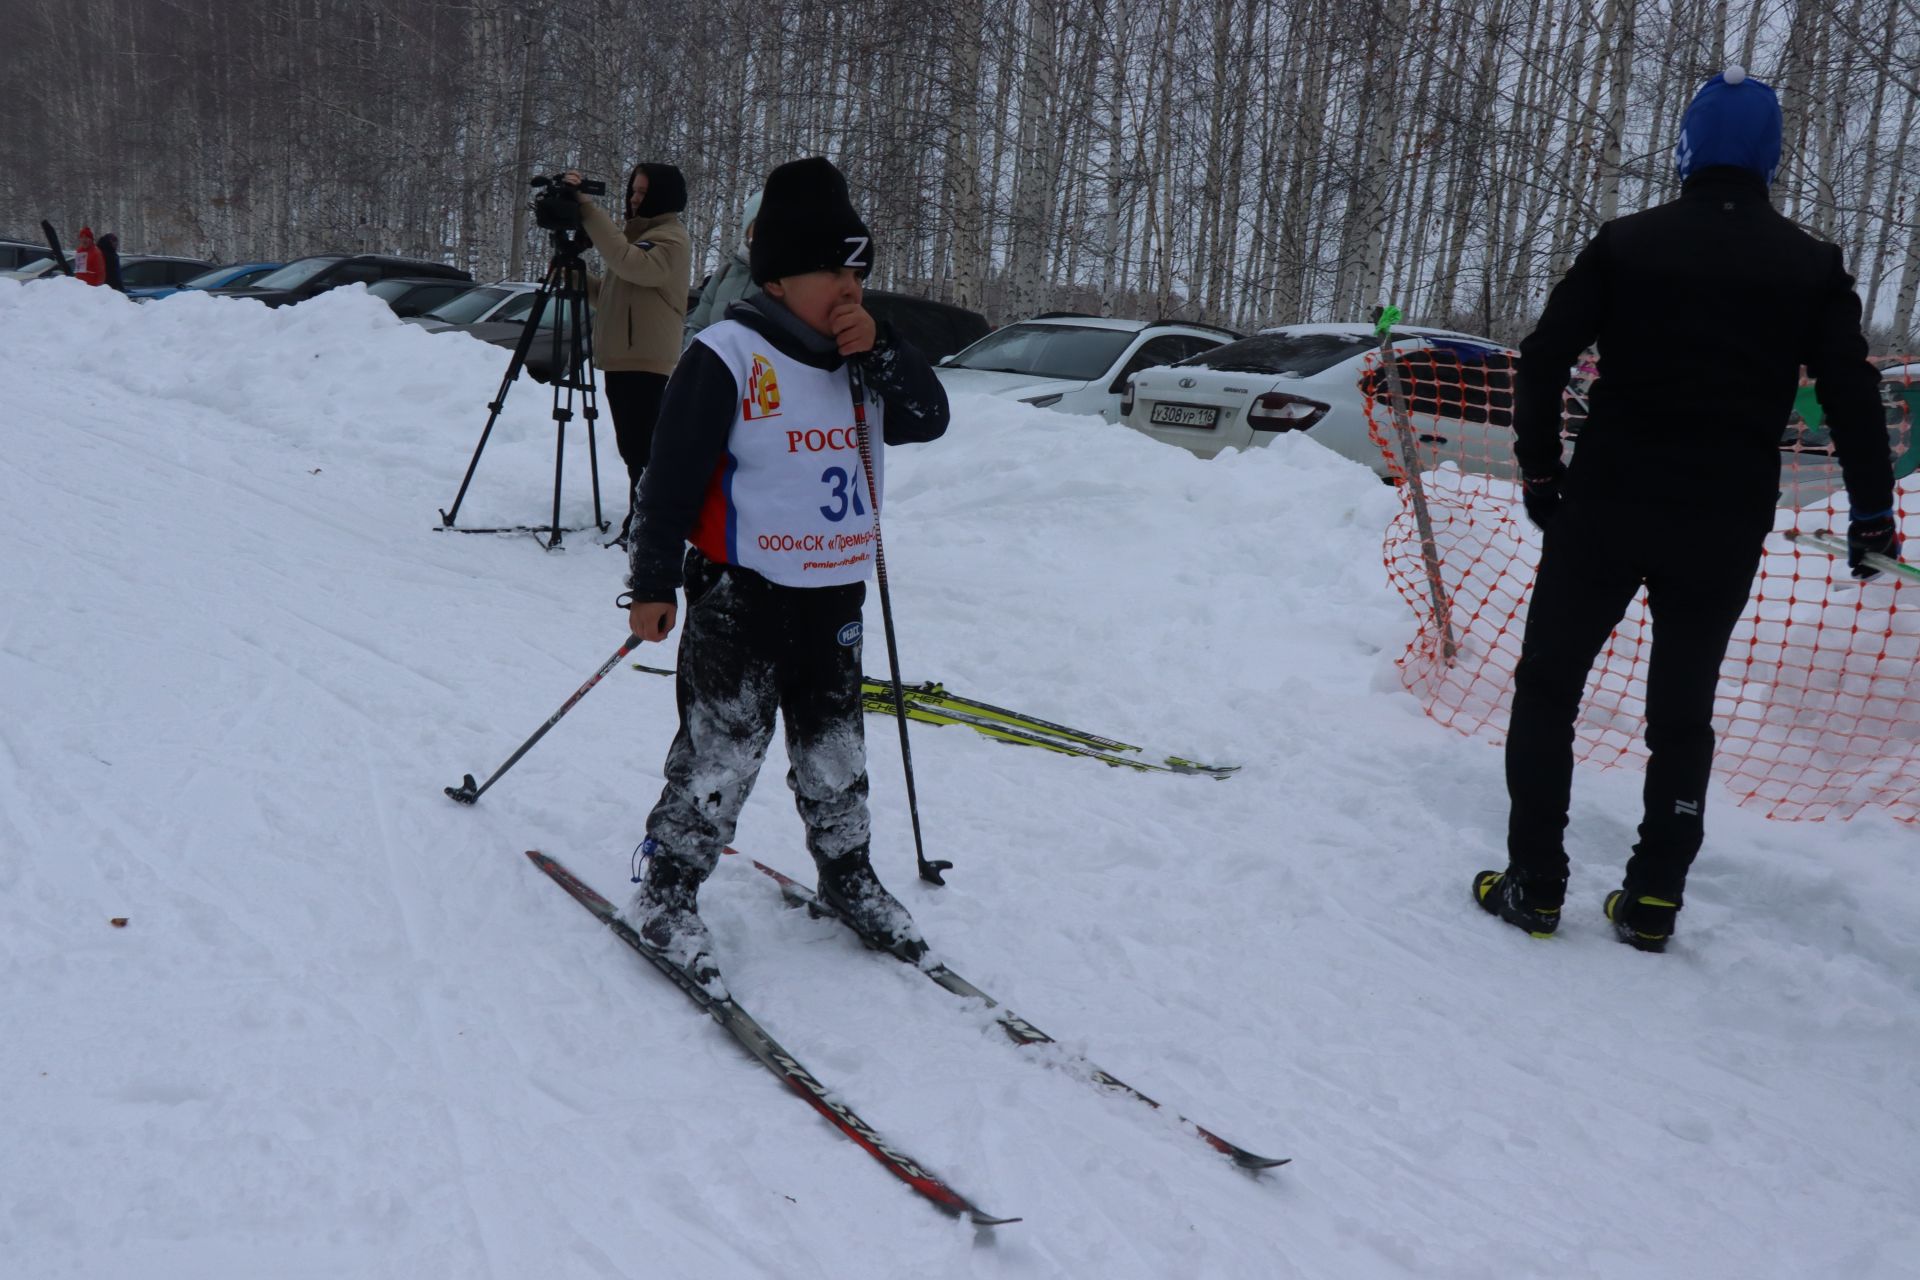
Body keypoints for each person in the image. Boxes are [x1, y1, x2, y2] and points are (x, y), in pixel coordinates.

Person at [1475, 66, 1901, 953]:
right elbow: (1852, 391)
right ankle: (1654, 898)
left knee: (1550, 687)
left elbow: (1546, 354)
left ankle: (1536, 883)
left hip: (1606, 502)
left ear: (1688, 146)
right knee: (1682, 708)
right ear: (1770, 156)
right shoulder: (1811, 264)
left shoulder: (1628, 243)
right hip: (1721, 517)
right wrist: (1871, 515)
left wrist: (1543, 474)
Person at [616, 156, 951, 990]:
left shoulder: (865, 356)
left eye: (859, 271)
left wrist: (890, 353)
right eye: (832, 271)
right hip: (743, 593)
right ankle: (669, 885)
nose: (850, 287)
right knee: (722, 747)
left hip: (835, 589)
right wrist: (654, 582)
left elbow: (929, 418)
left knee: (835, 745)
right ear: (779, 277)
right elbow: (670, 477)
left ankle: (847, 872)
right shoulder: (727, 354)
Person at [566, 163, 692, 544]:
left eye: (642, 192)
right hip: (625, 357)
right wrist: (575, 278)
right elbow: (612, 293)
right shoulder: (641, 239)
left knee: (642, 448)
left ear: (663, 196)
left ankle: (649, 522)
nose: (635, 198)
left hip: (645, 360)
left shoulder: (670, 239)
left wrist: (587, 209)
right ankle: (643, 516)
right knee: (633, 447)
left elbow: (627, 263)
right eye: (633, 191)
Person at [683, 189, 762, 345]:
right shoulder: (724, 274)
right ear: (747, 228)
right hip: (712, 367)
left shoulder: (786, 281)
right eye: (757, 223)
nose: (764, 231)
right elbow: (698, 328)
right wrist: (691, 362)